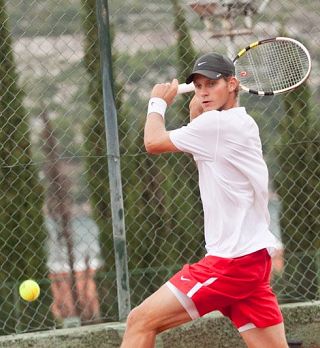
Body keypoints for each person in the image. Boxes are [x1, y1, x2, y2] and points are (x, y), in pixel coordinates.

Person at [120, 53, 288, 348]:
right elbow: (204, 145)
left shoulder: (218, 127)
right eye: (198, 86)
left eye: (212, 84)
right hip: (252, 259)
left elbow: (153, 142)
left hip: (230, 264)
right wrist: (199, 111)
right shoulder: (241, 122)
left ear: (233, 84)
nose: (203, 92)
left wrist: (157, 102)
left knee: (140, 321)